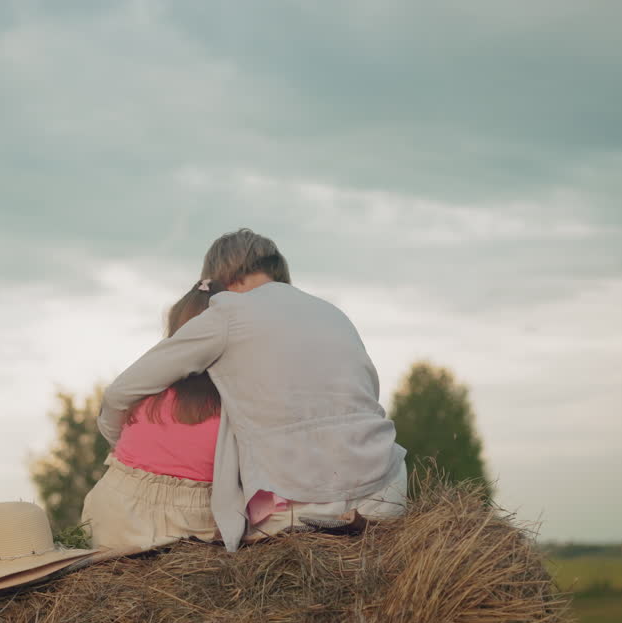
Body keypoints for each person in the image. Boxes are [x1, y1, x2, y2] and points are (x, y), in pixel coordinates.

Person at [98, 229, 407, 551]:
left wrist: (120, 444)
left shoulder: (229, 311)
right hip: (385, 492)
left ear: (221, 276)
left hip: (298, 505)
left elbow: (121, 391)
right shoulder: (334, 314)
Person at [81, 282, 224, 552]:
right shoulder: (232, 403)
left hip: (113, 508)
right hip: (190, 520)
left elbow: (114, 426)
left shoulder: (144, 389)